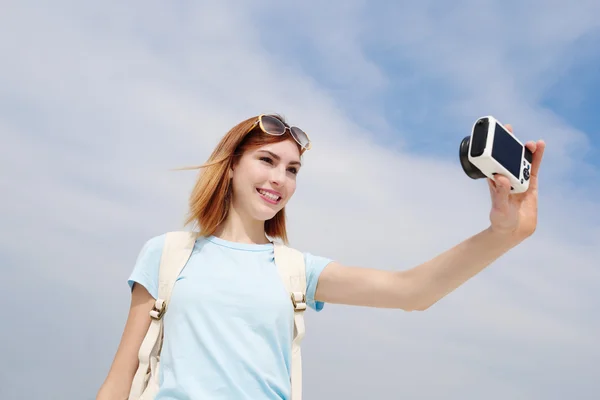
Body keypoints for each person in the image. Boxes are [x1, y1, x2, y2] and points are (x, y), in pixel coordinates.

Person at [96, 113, 546, 400]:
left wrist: (503, 233)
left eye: (292, 170)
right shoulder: (169, 253)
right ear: (231, 165)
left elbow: (413, 291)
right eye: (267, 161)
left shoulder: (295, 270)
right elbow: (119, 381)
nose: (280, 179)